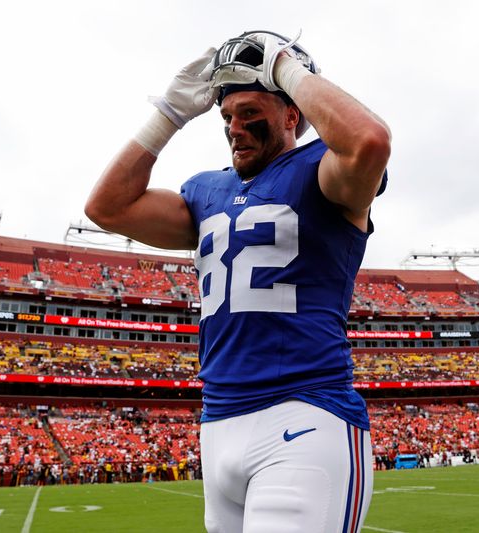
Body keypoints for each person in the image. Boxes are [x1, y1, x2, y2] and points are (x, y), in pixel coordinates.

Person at [84, 30, 390, 532]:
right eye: (228, 116)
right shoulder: (208, 190)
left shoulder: (322, 168)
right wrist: (169, 114)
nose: (235, 128)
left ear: (292, 115)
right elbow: (107, 207)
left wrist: (288, 71)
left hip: (305, 413)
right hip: (218, 422)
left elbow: (370, 141)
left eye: (252, 113)